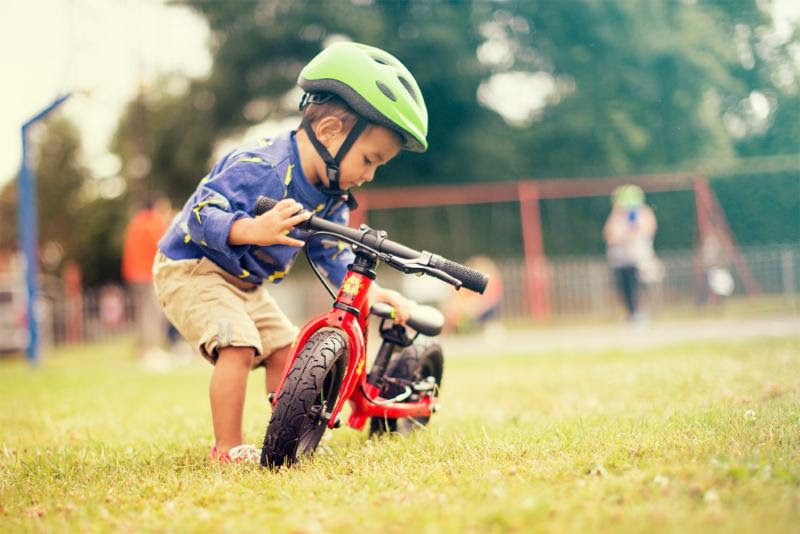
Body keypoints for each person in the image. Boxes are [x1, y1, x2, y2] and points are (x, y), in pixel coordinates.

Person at [153, 42, 428, 463]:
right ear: (331, 131)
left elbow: (332, 256)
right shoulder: (261, 165)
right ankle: (225, 450)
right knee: (239, 345)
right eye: (369, 160)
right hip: (193, 267)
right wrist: (251, 229)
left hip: (244, 281)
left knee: (286, 348)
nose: (369, 175)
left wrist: (372, 296)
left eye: (377, 167)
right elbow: (200, 213)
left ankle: (282, 437)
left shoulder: (331, 193)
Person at [121, 193, 172, 359]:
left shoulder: (136, 222)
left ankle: (144, 348)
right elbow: (165, 244)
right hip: (147, 274)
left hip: (133, 274)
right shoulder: (153, 222)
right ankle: (150, 349)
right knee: (152, 311)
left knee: (141, 312)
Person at [602, 185, 658, 323]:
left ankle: (640, 314)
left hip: (638, 257)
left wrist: (630, 233)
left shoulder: (643, 213)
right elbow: (608, 235)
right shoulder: (616, 215)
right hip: (620, 259)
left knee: (638, 287)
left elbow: (648, 230)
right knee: (624, 288)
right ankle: (630, 314)